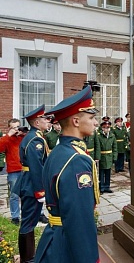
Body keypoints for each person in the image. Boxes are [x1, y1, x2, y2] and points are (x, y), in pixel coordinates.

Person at [35, 85, 100, 263]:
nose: (96, 123)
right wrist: (89, 258)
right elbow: (79, 218)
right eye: (92, 117)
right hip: (67, 246)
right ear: (76, 121)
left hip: (53, 238)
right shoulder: (77, 160)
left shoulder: (59, 151)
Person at [13, 104, 50, 263]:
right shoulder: (36, 140)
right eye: (44, 118)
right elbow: (36, 167)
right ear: (36, 122)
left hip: (28, 183)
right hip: (31, 185)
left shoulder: (34, 136)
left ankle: (27, 256)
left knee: (29, 220)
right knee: (28, 222)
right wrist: (41, 191)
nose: (47, 121)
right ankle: (27, 258)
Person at [0, 118, 27, 225]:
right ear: (10, 128)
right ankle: (15, 216)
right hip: (13, 170)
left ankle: (27, 215)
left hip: (26, 169)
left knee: (27, 194)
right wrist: (8, 135)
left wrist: (24, 133)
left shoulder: (23, 137)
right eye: (14, 127)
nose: (17, 129)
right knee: (14, 195)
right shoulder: (7, 139)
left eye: (18, 126)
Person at [96, 121, 117, 193]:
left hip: (109, 156)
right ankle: (101, 187)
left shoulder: (112, 136)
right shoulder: (99, 136)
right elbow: (98, 147)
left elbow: (115, 147)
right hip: (102, 156)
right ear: (102, 128)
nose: (106, 129)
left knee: (108, 172)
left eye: (108, 128)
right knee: (101, 173)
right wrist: (98, 157)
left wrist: (114, 157)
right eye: (105, 128)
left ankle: (107, 186)